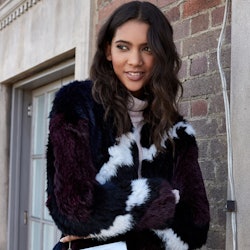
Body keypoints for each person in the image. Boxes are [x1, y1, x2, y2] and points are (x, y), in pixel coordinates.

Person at [46, 1, 210, 250]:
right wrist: (161, 197)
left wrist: (112, 221)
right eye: (123, 47)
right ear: (108, 51)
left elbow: (197, 226)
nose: (135, 60)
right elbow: (73, 210)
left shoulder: (177, 131)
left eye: (147, 48)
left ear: (161, 54)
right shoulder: (77, 106)